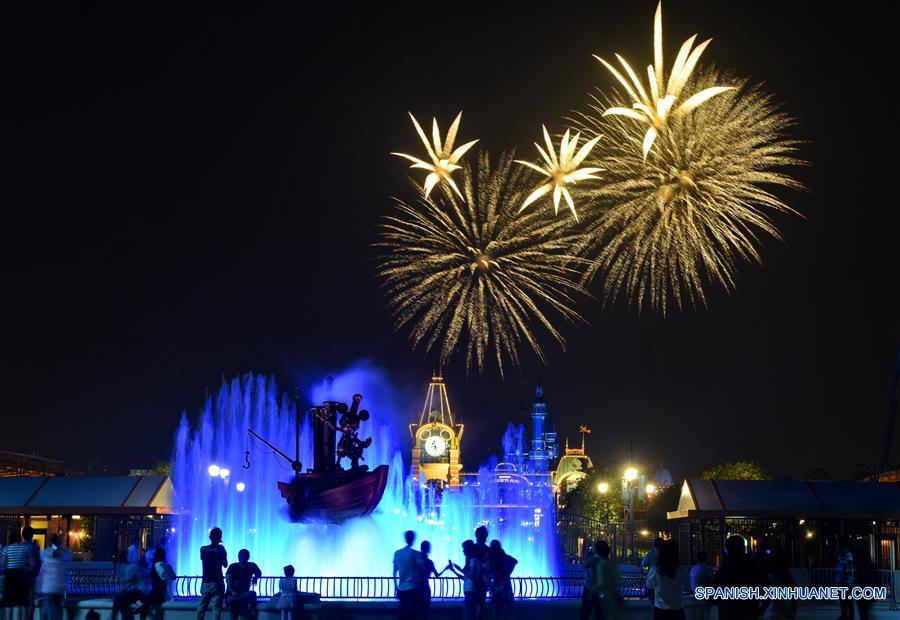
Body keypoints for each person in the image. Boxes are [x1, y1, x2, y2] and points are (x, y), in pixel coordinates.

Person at [713, 535, 769, 620]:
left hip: (728, 613)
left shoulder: (724, 569)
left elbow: (714, 592)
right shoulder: (752, 567)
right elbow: (767, 588)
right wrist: (761, 609)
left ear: (727, 550)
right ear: (743, 548)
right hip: (748, 612)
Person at [646, 540, 686, 620]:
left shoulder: (655, 571)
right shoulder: (681, 571)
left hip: (661, 610)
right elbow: (685, 582)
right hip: (678, 609)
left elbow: (649, 585)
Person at [135, 547, 176, 620]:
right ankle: (141, 609)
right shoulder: (165, 564)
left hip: (158, 592)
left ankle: (140, 610)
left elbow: (164, 578)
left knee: (144, 606)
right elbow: (173, 577)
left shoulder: (157, 564)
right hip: (161, 593)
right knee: (145, 605)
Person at [1, 530, 34, 620]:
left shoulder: (6, 549)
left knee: (9, 603)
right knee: (22, 602)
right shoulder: (25, 548)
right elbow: (32, 564)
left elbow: (3, 564)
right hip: (21, 576)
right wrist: (25, 568)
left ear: (10, 538)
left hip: (10, 577)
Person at [197, 528, 228, 620]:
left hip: (206, 581)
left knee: (202, 607)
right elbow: (225, 564)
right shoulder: (221, 549)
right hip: (218, 581)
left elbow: (204, 558)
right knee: (217, 608)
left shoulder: (203, 549)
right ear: (220, 537)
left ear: (210, 537)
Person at [392, 531, 424, 620]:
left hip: (401, 588)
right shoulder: (416, 554)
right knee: (413, 613)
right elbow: (422, 570)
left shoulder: (397, 553)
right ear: (413, 539)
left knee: (402, 612)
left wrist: (396, 587)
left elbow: (394, 572)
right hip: (414, 588)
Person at [36, 535, 68, 620]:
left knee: (46, 610)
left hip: (48, 586)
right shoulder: (64, 554)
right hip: (60, 587)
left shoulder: (45, 553)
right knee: (58, 610)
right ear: (60, 542)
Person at [447, 540, 481, 620]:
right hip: (469, 592)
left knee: (469, 615)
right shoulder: (472, 560)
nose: (463, 551)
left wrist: (460, 569)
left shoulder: (473, 560)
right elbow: (466, 578)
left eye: (464, 549)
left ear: (468, 549)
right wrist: (454, 570)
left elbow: (472, 576)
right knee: (469, 614)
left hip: (471, 592)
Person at [225, 549, 262, 620]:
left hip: (240, 595)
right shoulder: (233, 566)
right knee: (251, 594)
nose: (243, 559)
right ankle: (234, 601)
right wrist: (232, 591)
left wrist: (255, 578)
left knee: (250, 595)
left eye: (244, 557)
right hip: (233, 594)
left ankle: (234, 601)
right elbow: (228, 580)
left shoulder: (251, 565)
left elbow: (259, 573)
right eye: (242, 557)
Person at [763, 547, 796, 620]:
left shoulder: (770, 578)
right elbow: (793, 601)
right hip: (784, 615)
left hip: (772, 614)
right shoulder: (789, 578)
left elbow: (770, 600)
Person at [487, 540, 517, 619]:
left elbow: (490, 569)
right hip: (506, 584)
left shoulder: (494, 557)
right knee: (507, 609)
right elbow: (515, 561)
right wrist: (508, 572)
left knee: (496, 609)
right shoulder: (504, 555)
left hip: (497, 584)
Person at [417, 541, 446, 620]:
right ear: (428, 549)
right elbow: (437, 575)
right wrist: (446, 568)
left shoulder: (416, 561)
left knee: (417, 611)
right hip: (426, 588)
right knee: (425, 611)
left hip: (416, 588)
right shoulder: (430, 562)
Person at [689, 551, 714, 620]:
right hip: (703, 596)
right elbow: (711, 582)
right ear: (705, 558)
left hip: (695, 594)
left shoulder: (693, 567)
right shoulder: (705, 568)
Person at [835, 538, 856, 620]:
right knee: (849, 601)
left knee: (844, 601)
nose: (836, 545)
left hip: (844, 581)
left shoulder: (843, 554)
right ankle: (849, 617)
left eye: (837, 543)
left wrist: (838, 579)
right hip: (849, 581)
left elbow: (842, 568)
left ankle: (844, 616)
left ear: (841, 545)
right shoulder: (848, 553)